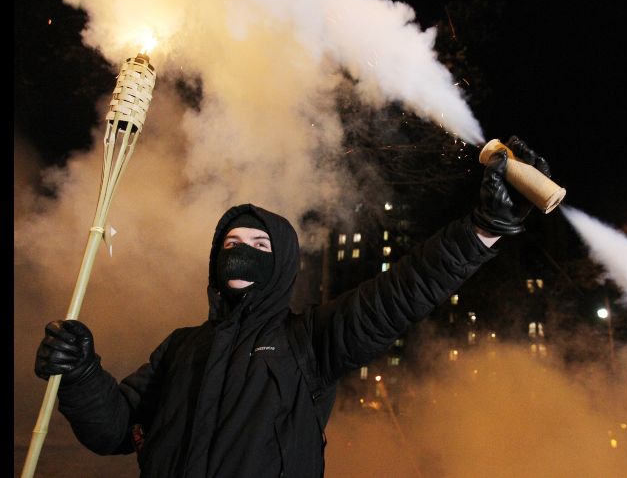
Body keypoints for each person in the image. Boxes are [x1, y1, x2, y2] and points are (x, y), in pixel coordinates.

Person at [34, 137, 551, 477]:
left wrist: (484, 228)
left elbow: (400, 294)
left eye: (260, 246)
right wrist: (80, 374)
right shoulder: (180, 347)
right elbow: (116, 430)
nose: (242, 252)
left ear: (281, 264)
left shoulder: (308, 341)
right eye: (231, 243)